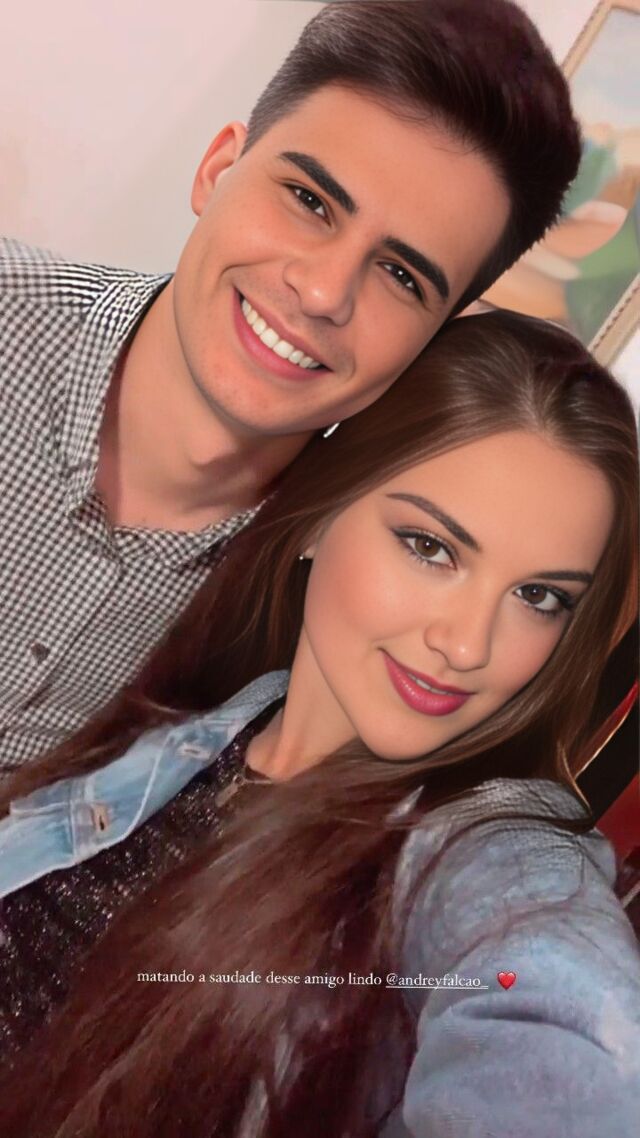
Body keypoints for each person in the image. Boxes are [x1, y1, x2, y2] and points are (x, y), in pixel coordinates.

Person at [0, 311, 638, 1137]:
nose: (468, 645)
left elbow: (573, 1033)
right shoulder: (180, 728)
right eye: (431, 547)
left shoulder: (488, 857)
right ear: (318, 516)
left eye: (538, 597)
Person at [0, 0, 583, 771]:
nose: (323, 292)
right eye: (310, 201)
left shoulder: (348, 597)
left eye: (401, 275)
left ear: (434, 339)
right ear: (217, 169)